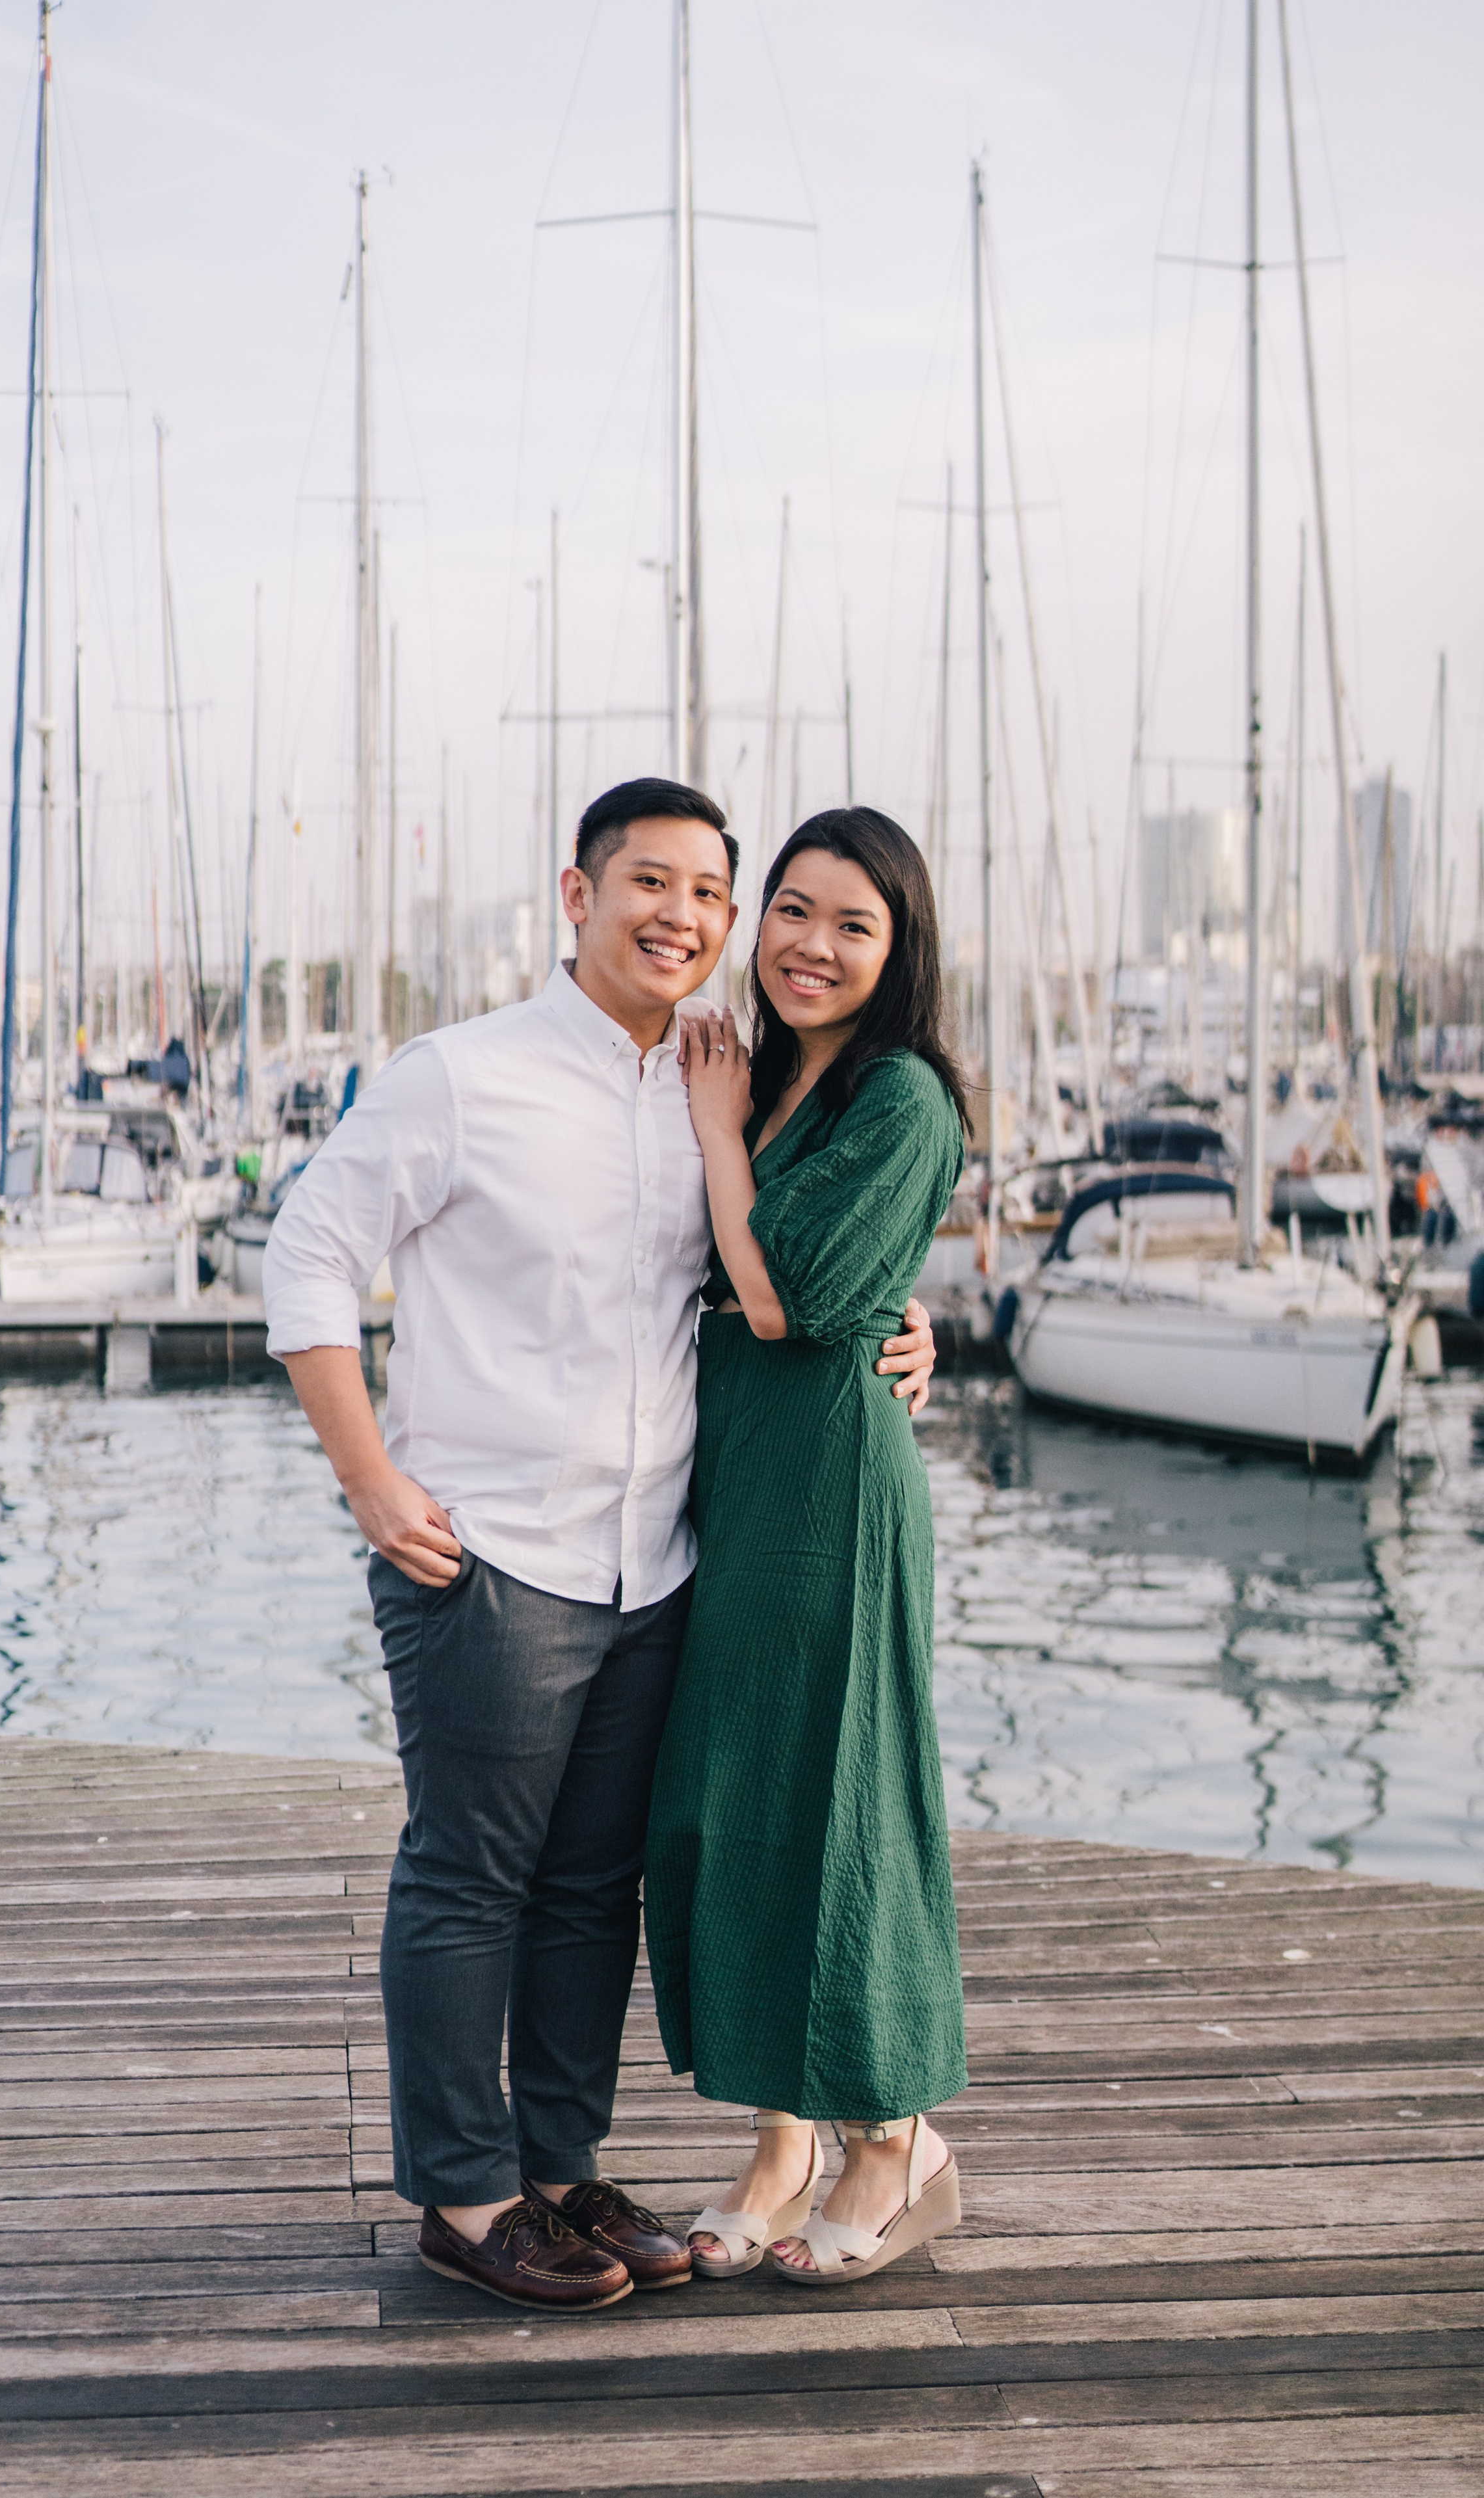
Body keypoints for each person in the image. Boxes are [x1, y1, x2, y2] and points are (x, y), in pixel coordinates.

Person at [261, 777, 940, 2314]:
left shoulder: (719, 1076)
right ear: (575, 894)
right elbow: (304, 1263)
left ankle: (559, 2171)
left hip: (657, 1561)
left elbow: (791, 1263)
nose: (685, 918)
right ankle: (465, 2191)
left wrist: (910, 1326)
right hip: (490, 1552)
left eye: (711, 891)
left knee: (588, 1889)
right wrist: (370, 1481)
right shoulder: (464, 1076)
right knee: (469, 1878)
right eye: (652, 883)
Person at [644, 804, 970, 2285]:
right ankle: (782, 2138)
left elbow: (795, 1302)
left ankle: (894, 2133)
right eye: (789, 909)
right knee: (740, 1804)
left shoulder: (899, 1096)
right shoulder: (758, 1073)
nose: (809, 945)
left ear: (896, 948)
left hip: (829, 1484)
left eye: (851, 923)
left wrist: (717, 1136)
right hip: (729, 1476)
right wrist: (724, 1124)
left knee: (845, 1797)